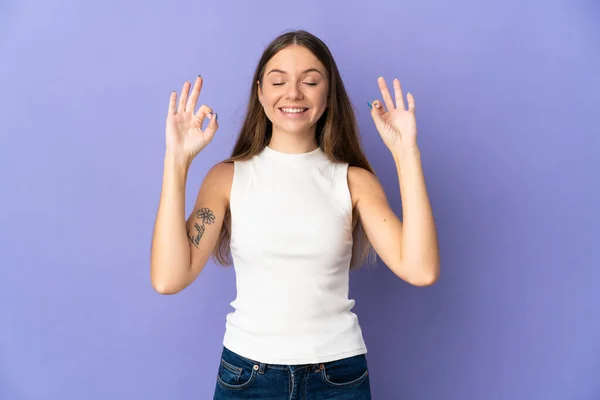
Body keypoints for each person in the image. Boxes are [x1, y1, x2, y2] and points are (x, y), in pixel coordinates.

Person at [150, 29, 440, 399]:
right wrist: (176, 161)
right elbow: (168, 278)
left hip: (338, 378)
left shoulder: (354, 182)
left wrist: (406, 154)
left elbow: (421, 269)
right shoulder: (227, 178)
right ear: (260, 91)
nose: (293, 93)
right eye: (278, 81)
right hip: (247, 377)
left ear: (329, 93)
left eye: (310, 81)